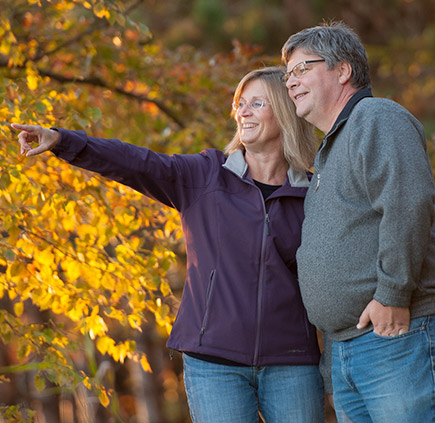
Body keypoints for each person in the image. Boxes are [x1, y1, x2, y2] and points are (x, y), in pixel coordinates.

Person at [12, 66, 325, 423]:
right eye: (240, 103)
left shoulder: (313, 193)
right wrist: (65, 142)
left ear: (285, 112)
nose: (243, 111)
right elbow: (135, 162)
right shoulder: (206, 175)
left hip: (291, 360)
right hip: (214, 362)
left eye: (257, 103)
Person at [281, 21, 435, 423]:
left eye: (301, 70)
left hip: (394, 337)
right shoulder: (329, 150)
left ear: (343, 70)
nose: (290, 83)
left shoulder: (376, 117)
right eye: (286, 76)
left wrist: (393, 295)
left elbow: (409, 204)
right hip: (349, 349)